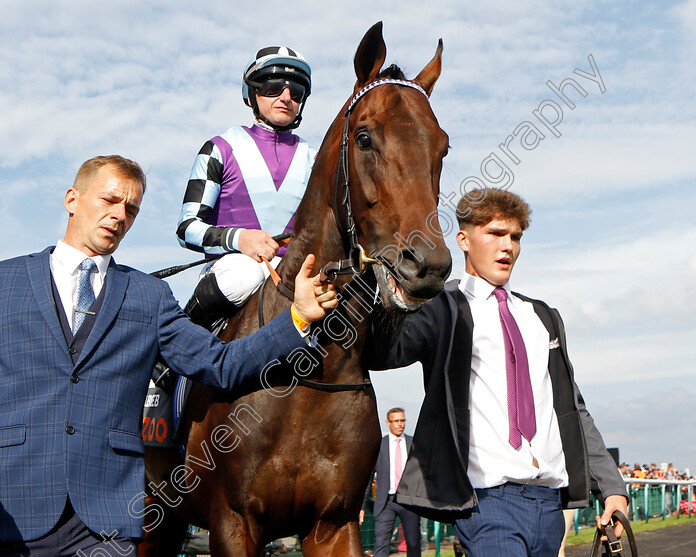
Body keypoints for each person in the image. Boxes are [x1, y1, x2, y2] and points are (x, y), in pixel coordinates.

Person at [0, 154, 337, 555]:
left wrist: (297, 316)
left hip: (109, 520)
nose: (119, 215)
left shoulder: (150, 296)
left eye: (131, 208)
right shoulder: (1, 282)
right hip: (13, 508)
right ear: (72, 199)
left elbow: (221, 365)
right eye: (109, 201)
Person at [365, 187, 628, 557]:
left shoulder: (543, 316)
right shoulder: (443, 308)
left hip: (551, 506)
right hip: (488, 503)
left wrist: (612, 487)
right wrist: (384, 284)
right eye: (494, 233)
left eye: (515, 237)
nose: (507, 246)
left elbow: (572, 410)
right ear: (463, 240)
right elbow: (385, 352)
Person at [177, 46, 316, 326]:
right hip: (233, 267)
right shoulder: (219, 148)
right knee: (245, 275)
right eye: (272, 87)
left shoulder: (315, 159)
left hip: (294, 273)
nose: (286, 97)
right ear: (252, 93)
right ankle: (176, 344)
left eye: (296, 91)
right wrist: (240, 239)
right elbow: (186, 229)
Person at [361, 408, 421, 557]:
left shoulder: (413, 444)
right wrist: (361, 507)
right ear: (388, 423)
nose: (400, 424)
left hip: (409, 501)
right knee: (381, 543)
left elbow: (422, 473)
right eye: (396, 421)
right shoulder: (379, 445)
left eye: (402, 420)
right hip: (385, 501)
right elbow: (368, 478)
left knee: (413, 543)